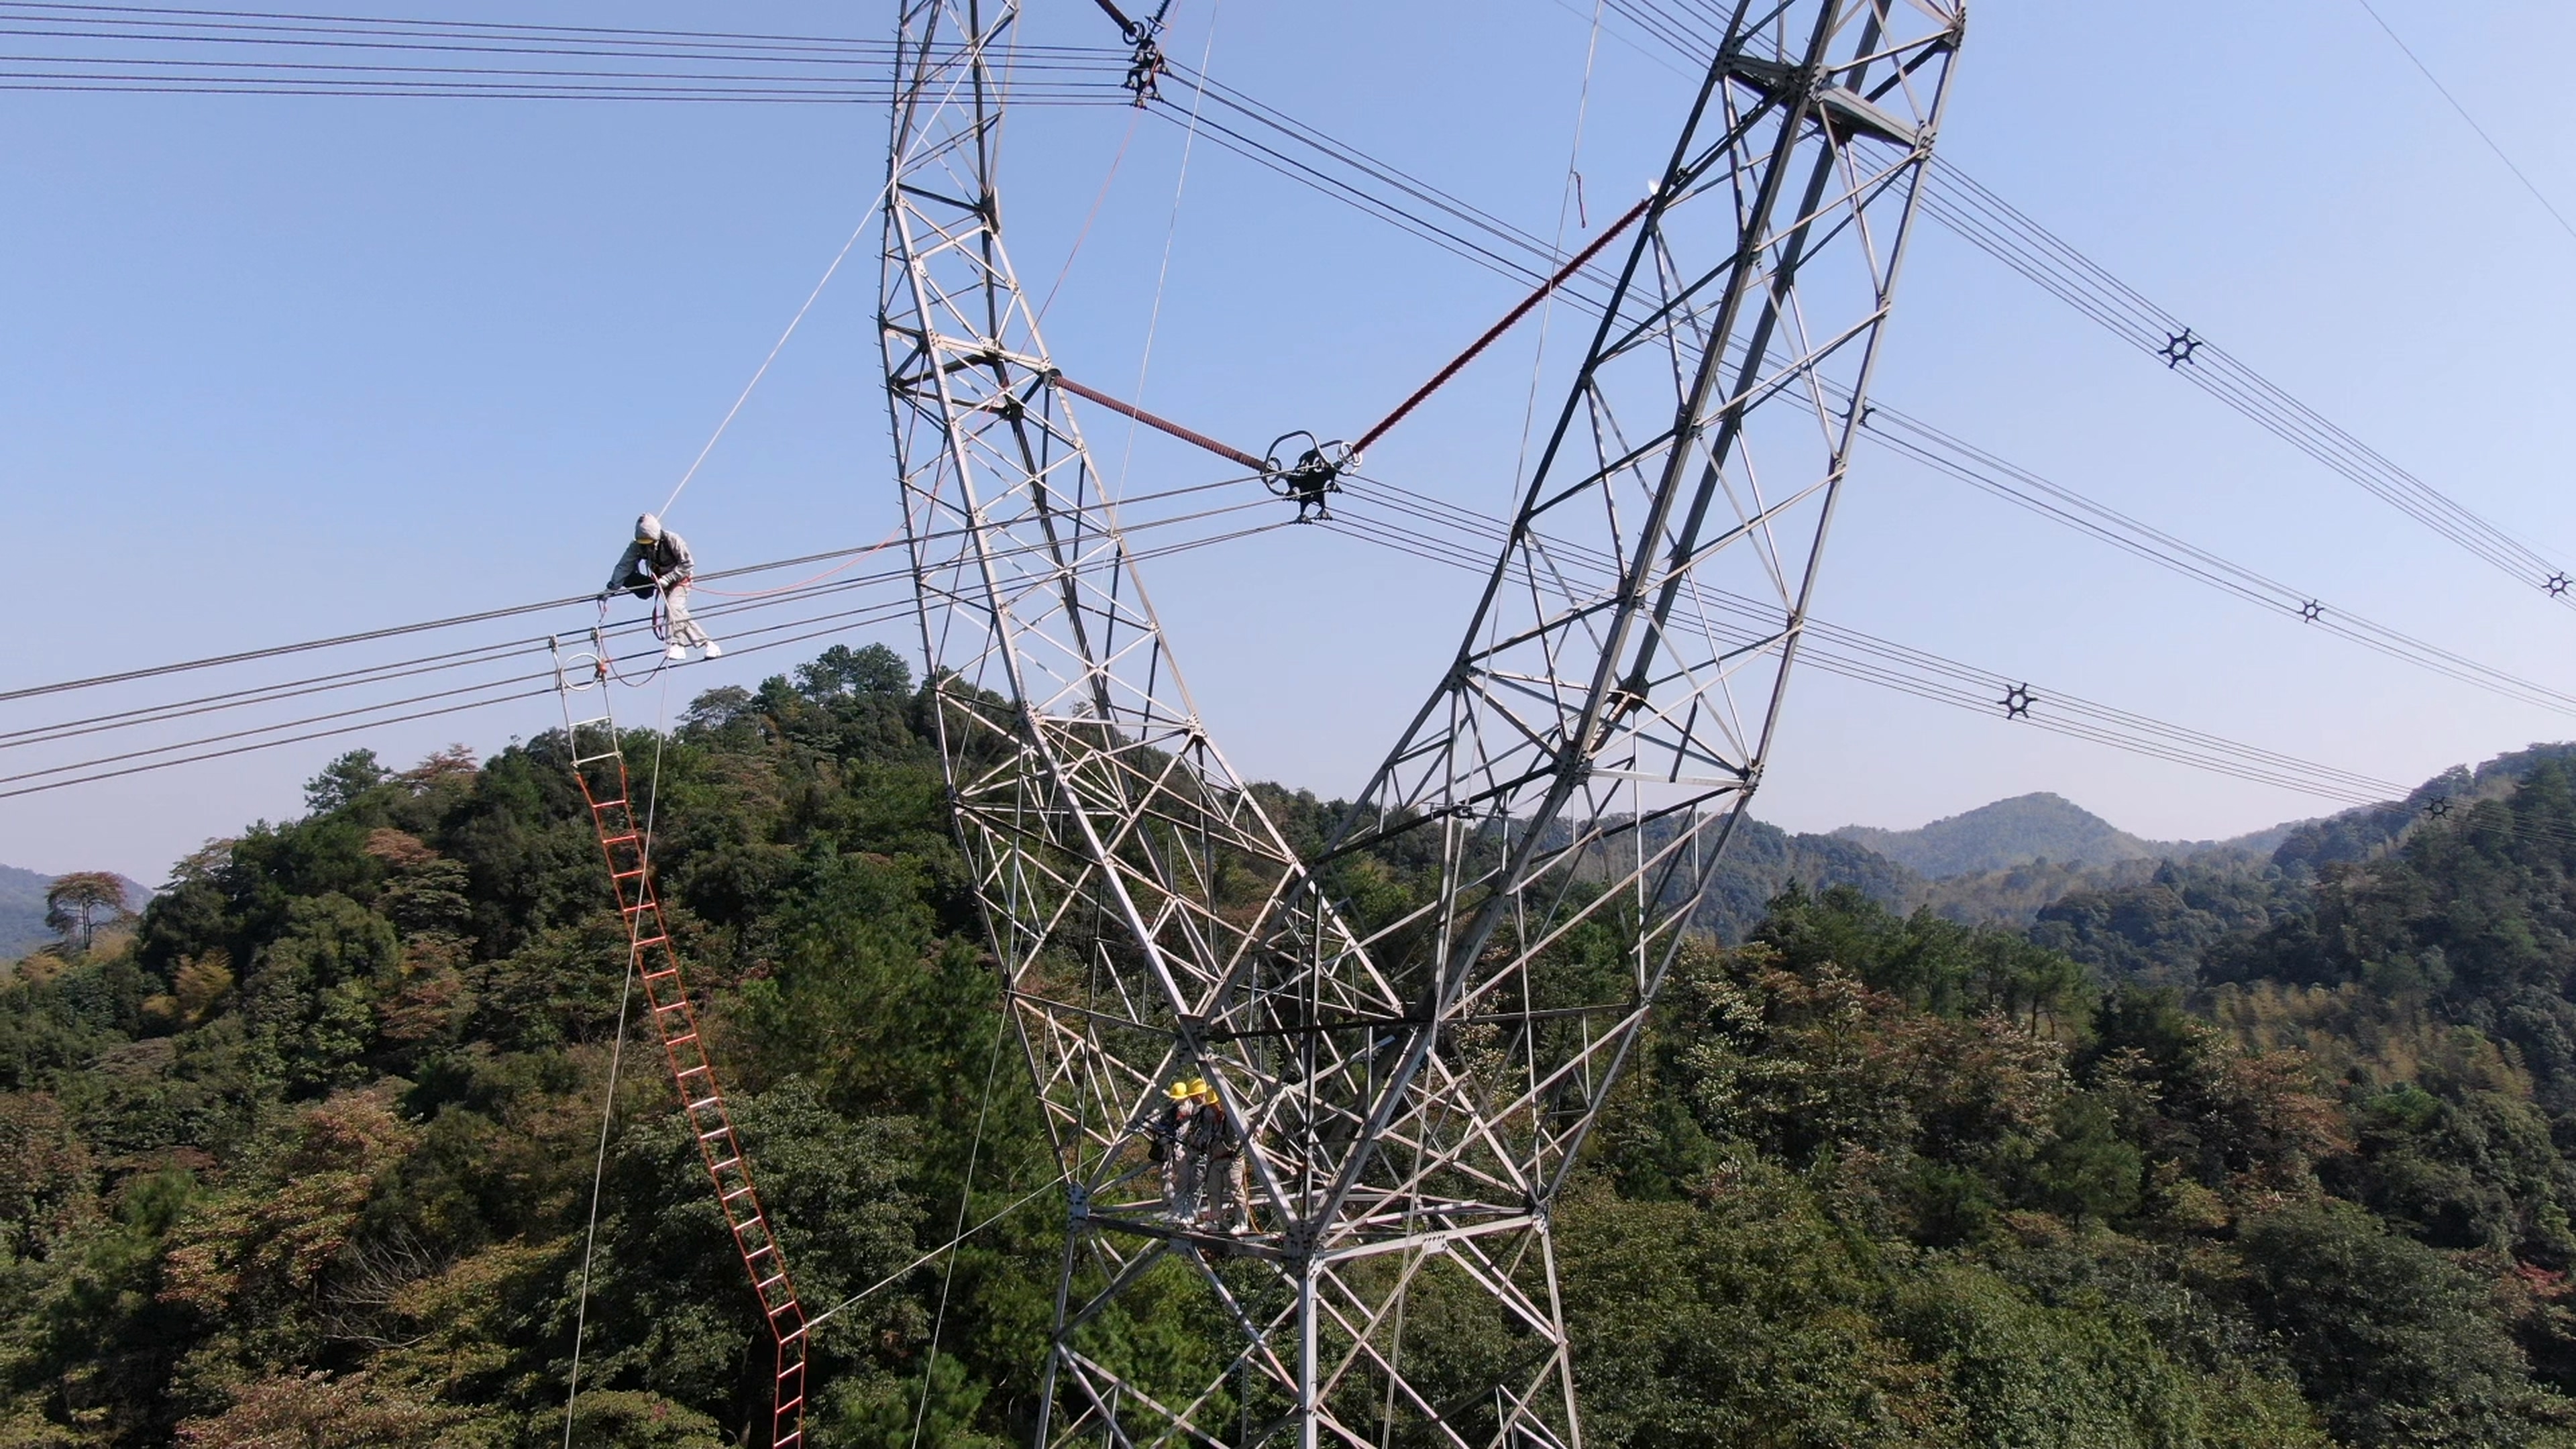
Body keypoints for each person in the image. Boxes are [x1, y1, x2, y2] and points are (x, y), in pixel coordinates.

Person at [603, 513, 720, 661]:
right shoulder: (637, 546)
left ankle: (677, 644)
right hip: (659, 582)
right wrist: (610, 590)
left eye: (650, 542)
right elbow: (623, 567)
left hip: (680, 579)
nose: (648, 545)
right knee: (677, 614)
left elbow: (687, 564)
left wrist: (668, 579)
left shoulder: (673, 540)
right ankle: (709, 645)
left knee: (673, 608)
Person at [1181, 1078, 1249, 1234]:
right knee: (1213, 1192)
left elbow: (1239, 1133)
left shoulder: (1231, 1118)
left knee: (1236, 1193)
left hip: (1232, 1161)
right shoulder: (1213, 1119)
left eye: (1215, 1104)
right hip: (1216, 1161)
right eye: (1211, 1105)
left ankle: (1242, 1223)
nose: (1213, 1107)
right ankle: (1214, 1221)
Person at [1150, 1078, 1204, 1226]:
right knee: (1173, 1179)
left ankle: (1185, 1212)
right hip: (1174, 1149)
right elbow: (1159, 1117)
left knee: (1189, 1184)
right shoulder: (1172, 1108)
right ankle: (1174, 1210)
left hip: (1185, 1150)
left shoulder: (1192, 1109)